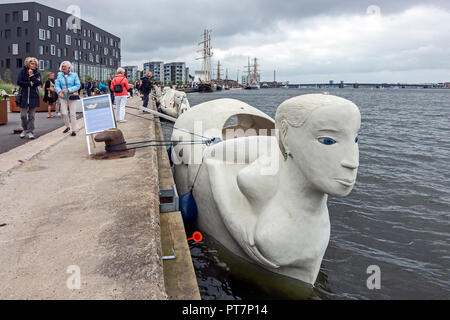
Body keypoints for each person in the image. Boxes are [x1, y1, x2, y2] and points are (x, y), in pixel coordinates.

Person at [16, 57, 42, 139]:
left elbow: (38, 83)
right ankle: (25, 129)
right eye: (32, 63)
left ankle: (30, 131)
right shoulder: (22, 72)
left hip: (33, 96)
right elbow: (19, 82)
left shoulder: (37, 74)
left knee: (32, 116)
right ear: (28, 64)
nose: (34, 65)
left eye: (35, 64)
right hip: (23, 96)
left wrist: (31, 75)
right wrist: (30, 84)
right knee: (23, 115)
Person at [55, 61, 81, 137]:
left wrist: (69, 89)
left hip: (72, 96)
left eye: (65, 66)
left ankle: (74, 130)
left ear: (69, 67)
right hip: (62, 96)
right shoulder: (59, 76)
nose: (63, 68)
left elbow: (78, 85)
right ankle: (67, 126)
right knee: (64, 113)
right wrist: (59, 91)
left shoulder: (74, 75)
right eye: (62, 66)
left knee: (72, 114)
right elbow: (57, 85)